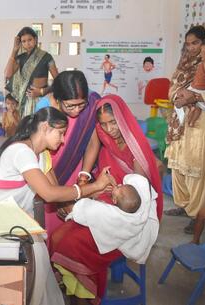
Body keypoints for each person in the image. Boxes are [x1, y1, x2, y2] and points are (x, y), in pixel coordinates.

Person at [0, 107, 115, 305]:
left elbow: (56, 192)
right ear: (46, 127)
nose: (63, 140)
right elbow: (49, 193)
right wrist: (94, 186)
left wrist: (90, 193)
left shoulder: (39, 154)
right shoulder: (22, 151)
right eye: (61, 133)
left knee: (39, 255)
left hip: (13, 219)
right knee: (36, 256)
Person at [50, 94, 163, 304]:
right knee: (57, 236)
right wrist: (78, 202)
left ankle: (86, 295)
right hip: (106, 206)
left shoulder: (134, 148)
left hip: (124, 217)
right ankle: (76, 289)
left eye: (113, 122)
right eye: (104, 124)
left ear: (123, 119)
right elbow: (104, 186)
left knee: (72, 244)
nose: (109, 129)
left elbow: (133, 201)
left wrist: (80, 207)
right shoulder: (107, 143)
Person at [164, 25, 205, 234]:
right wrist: (177, 97)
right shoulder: (183, 63)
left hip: (200, 122)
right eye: (188, 43)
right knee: (178, 168)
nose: (191, 47)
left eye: (196, 43)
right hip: (179, 120)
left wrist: (196, 97)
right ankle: (184, 206)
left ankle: (197, 213)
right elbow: (172, 89)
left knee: (197, 169)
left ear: (204, 43)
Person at [34, 70, 102, 240]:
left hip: (76, 167)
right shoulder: (44, 110)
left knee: (75, 223)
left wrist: (84, 176)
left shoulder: (92, 102)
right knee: (51, 225)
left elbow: (93, 142)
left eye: (81, 104)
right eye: (70, 106)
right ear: (57, 99)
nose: (77, 111)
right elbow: (42, 157)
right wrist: (61, 199)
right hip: (48, 171)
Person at [66, 174, 159, 264]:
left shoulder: (110, 214)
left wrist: (94, 193)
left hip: (82, 246)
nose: (118, 185)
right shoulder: (138, 213)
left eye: (118, 187)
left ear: (114, 200)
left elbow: (85, 209)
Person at [4, 27, 59, 116]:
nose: (27, 44)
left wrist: (42, 91)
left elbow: (59, 81)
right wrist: (14, 51)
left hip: (42, 100)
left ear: (35, 39)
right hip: (24, 103)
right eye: (24, 41)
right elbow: (7, 74)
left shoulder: (46, 57)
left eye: (30, 40)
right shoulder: (20, 58)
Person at [174, 38, 205, 128]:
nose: (201, 53)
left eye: (202, 50)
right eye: (188, 44)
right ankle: (191, 121)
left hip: (199, 90)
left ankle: (184, 103)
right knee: (197, 108)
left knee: (181, 92)